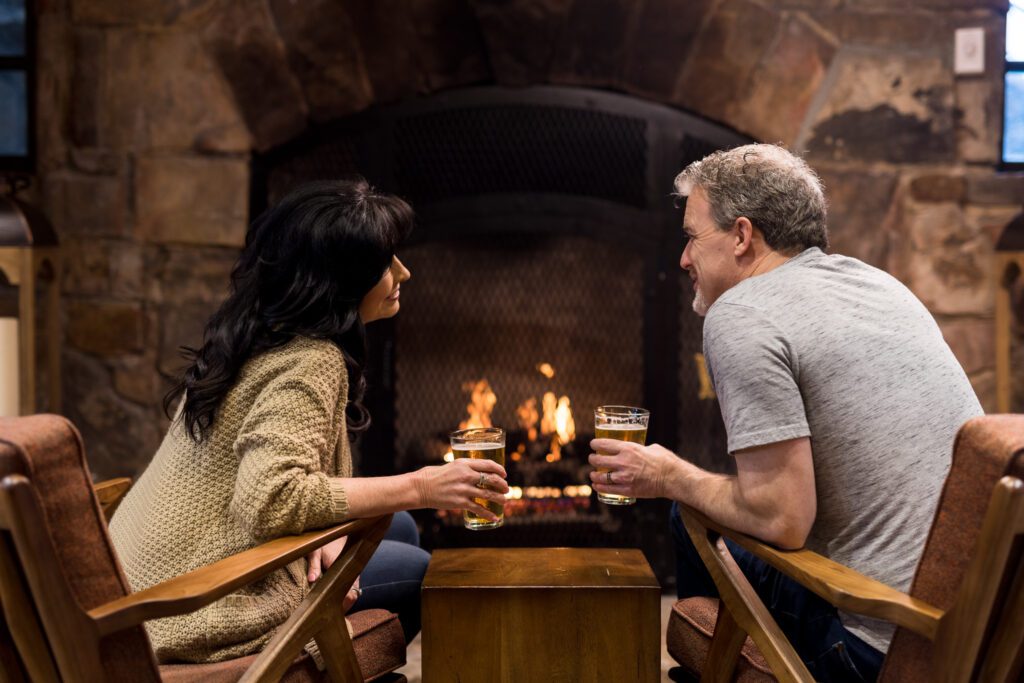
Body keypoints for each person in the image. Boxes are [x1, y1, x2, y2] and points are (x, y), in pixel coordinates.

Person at [588, 144, 982, 682]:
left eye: (691, 237)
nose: (682, 259)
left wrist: (667, 475)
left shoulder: (742, 313)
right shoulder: (880, 285)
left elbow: (782, 518)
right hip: (970, 639)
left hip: (873, 649)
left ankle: (722, 669)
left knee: (688, 508)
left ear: (742, 236)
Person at [109, 179, 508, 664]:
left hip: (140, 581)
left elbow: (261, 479)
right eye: (386, 262)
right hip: (193, 605)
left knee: (397, 526)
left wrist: (330, 531)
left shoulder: (255, 332)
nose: (404, 271)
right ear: (340, 280)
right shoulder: (310, 359)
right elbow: (271, 499)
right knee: (419, 568)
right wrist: (423, 485)